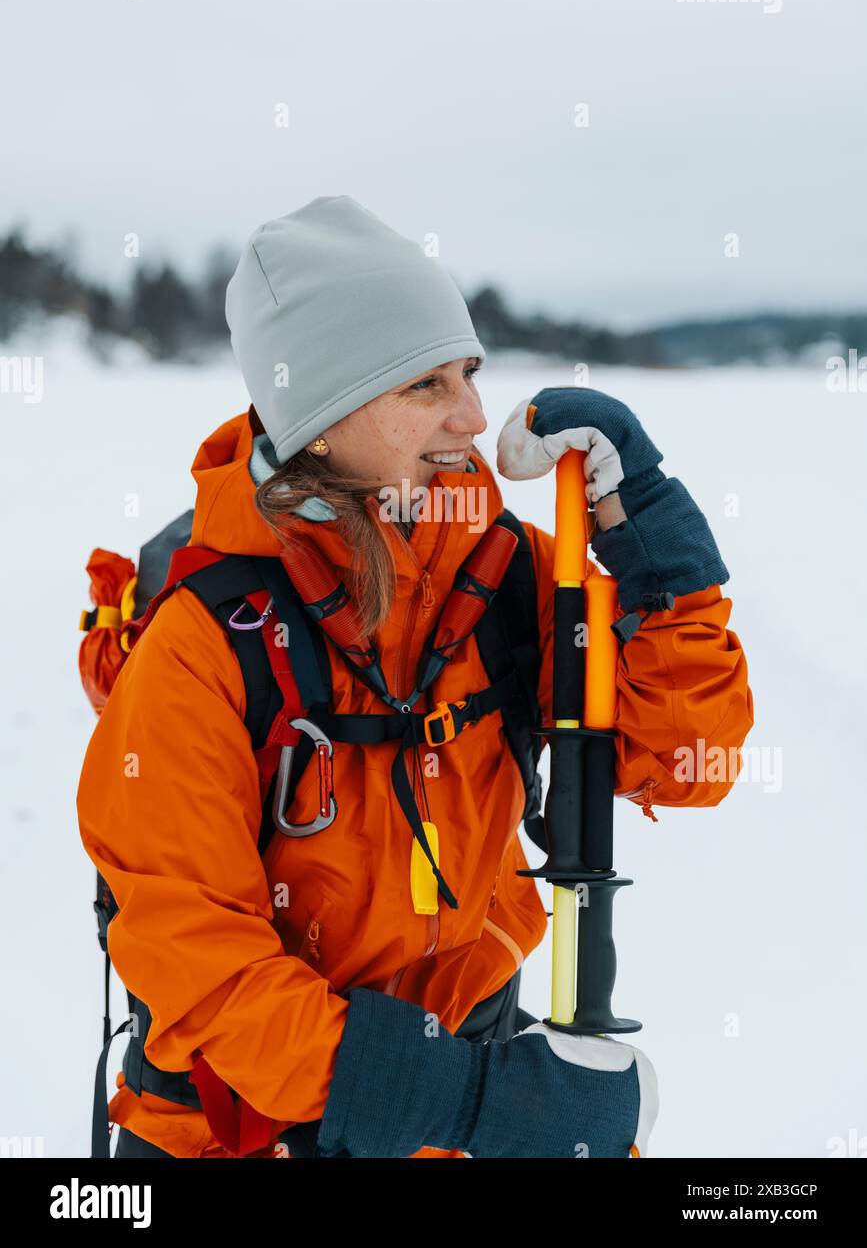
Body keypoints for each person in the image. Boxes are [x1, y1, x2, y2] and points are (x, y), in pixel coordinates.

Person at [76, 195, 753, 1158]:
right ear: (322, 415)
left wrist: (656, 549)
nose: (474, 416)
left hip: (465, 1067)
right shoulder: (200, 646)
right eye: (425, 384)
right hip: (256, 1124)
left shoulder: (505, 567)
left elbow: (686, 760)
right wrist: (486, 1107)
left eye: (468, 371)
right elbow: (208, 973)